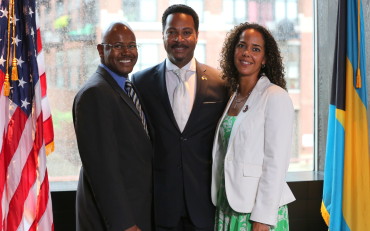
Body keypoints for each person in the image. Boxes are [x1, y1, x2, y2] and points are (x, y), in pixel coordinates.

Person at [132, 4, 229, 231]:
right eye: (172, 32)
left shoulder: (221, 82)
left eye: (186, 32)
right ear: (163, 35)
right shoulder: (140, 83)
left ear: (196, 36)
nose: (179, 39)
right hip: (160, 204)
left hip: (206, 203)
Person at [211, 22, 296, 231]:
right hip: (228, 205)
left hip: (256, 212)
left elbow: (276, 164)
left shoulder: (275, 96)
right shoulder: (233, 97)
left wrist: (263, 219)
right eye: (242, 46)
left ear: (265, 59)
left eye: (255, 49)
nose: (246, 53)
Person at [73, 22, 153, 231]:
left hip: (136, 210)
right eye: (117, 45)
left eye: (132, 45)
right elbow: (103, 169)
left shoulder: (128, 86)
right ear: (101, 50)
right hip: (116, 221)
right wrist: (124, 224)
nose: (127, 52)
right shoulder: (95, 93)